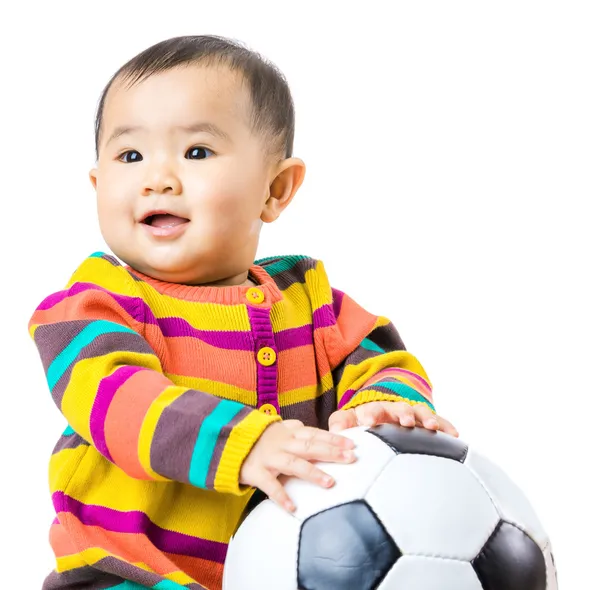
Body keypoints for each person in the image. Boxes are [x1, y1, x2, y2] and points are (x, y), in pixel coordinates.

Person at [28, 35, 459, 590]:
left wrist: (387, 408)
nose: (157, 178)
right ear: (97, 184)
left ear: (275, 189)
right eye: (130, 156)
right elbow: (113, 395)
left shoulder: (309, 301)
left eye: (197, 152)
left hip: (284, 570)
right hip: (126, 573)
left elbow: (379, 358)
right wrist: (244, 440)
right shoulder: (92, 304)